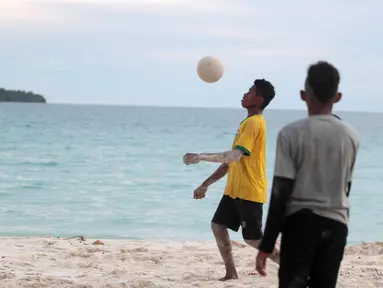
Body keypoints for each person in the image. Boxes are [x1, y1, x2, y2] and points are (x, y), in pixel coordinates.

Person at [255, 61, 359, 288]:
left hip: (300, 226)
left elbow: (281, 192)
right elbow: (346, 188)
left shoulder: (291, 133)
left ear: (303, 95)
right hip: (336, 227)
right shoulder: (350, 136)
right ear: (338, 97)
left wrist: (266, 245)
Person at [183, 79, 280, 281]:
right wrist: (205, 184)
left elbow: (233, 156)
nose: (245, 94)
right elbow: (231, 163)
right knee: (218, 226)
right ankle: (231, 273)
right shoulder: (247, 122)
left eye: (250, 91)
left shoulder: (254, 123)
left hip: (249, 191)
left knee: (254, 239)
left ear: (259, 99)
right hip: (234, 190)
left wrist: (201, 157)